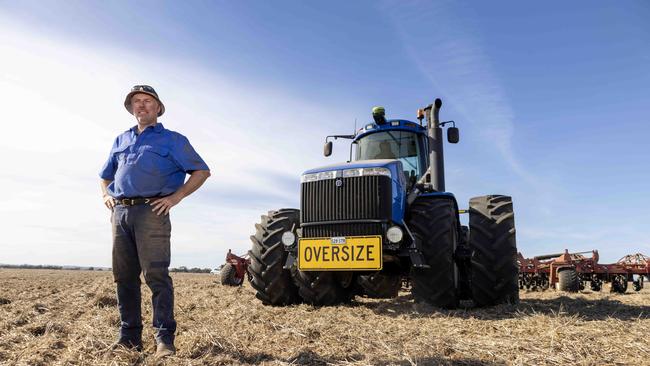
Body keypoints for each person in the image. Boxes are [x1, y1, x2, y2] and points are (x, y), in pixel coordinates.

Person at [99, 85, 210, 358]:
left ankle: (164, 340)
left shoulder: (173, 140)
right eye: (136, 102)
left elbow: (201, 171)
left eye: (147, 101)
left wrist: (176, 197)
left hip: (152, 212)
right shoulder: (120, 140)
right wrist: (106, 196)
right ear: (131, 108)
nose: (141, 105)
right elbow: (105, 176)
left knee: (156, 277)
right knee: (123, 278)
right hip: (121, 213)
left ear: (158, 108)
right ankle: (129, 338)